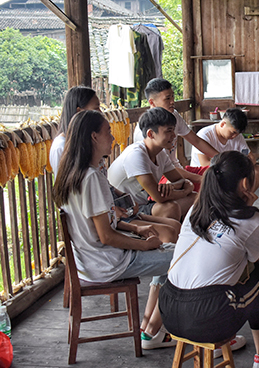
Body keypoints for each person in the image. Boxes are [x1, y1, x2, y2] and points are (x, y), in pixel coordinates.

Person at [53, 110, 177, 350]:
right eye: (108, 132)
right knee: (183, 258)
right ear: (93, 137)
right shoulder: (90, 178)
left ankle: (150, 327)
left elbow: (104, 222)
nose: (113, 138)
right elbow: (106, 236)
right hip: (106, 262)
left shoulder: (73, 173)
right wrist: (144, 245)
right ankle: (152, 330)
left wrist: (136, 229)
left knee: (174, 250)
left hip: (91, 260)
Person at [159, 151, 259, 368]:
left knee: (222, 272)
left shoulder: (197, 208)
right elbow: (253, 259)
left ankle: (226, 338)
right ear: (244, 183)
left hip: (168, 310)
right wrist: (248, 210)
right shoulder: (253, 220)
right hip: (207, 320)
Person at [50, 85, 180, 244]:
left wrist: (124, 202)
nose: (112, 139)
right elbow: (76, 198)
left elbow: (106, 188)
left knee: (173, 225)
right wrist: (142, 244)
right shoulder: (64, 151)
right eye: (96, 109)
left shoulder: (92, 157)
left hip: (112, 213)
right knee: (168, 233)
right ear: (80, 112)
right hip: (101, 225)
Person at [109, 107, 196, 222]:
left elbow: (181, 181)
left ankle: (186, 234)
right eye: (168, 131)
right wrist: (185, 190)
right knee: (170, 208)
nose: (174, 136)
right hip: (125, 211)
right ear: (151, 134)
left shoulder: (161, 153)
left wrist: (176, 187)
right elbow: (159, 197)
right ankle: (172, 236)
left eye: (173, 130)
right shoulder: (136, 155)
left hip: (143, 204)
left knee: (195, 197)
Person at [133, 78, 218, 188]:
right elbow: (166, 171)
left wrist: (221, 158)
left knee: (215, 172)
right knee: (203, 185)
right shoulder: (146, 131)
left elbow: (196, 141)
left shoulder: (174, 115)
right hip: (161, 179)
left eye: (172, 96)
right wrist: (200, 179)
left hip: (177, 171)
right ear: (152, 102)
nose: (172, 101)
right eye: (167, 99)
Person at [190, 107, 259, 192]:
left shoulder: (237, 136)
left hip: (228, 172)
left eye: (238, 133)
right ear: (222, 124)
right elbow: (205, 165)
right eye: (233, 133)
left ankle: (244, 201)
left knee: (258, 171)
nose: (235, 136)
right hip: (207, 175)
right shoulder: (204, 135)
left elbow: (251, 158)